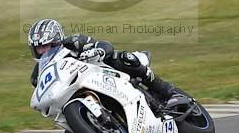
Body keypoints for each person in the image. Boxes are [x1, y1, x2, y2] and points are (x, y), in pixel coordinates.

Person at [27, 18, 183, 104]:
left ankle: (163, 89)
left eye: (45, 45)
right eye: (39, 48)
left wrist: (97, 50)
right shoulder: (37, 75)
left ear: (56, 39)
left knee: (124, 58)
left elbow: (105, 45)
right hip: (78, 91)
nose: (43, 50)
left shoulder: (74, 42)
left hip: (107, 72)